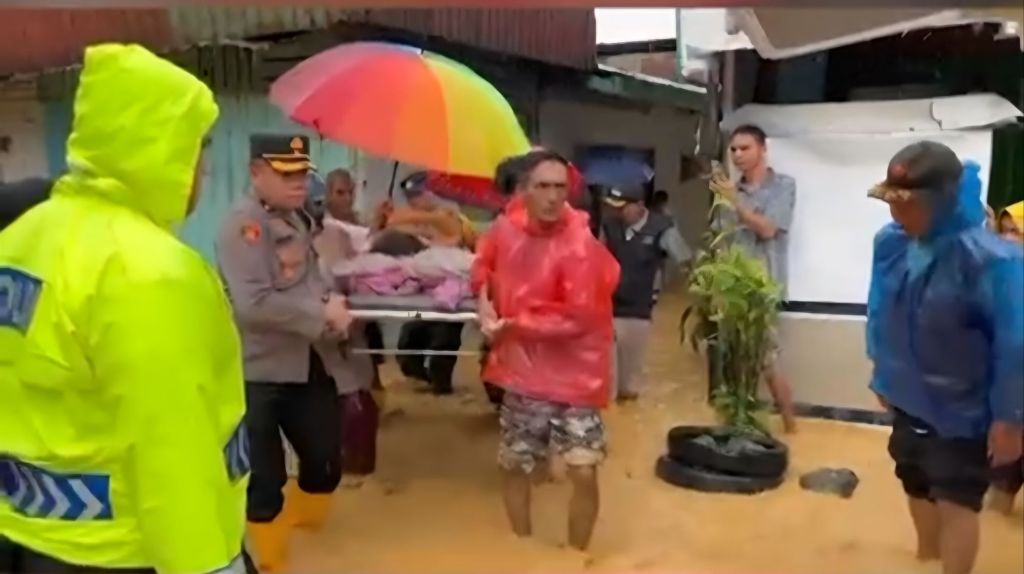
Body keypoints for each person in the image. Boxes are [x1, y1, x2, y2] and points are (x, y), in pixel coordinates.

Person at [0, 44, 248, 574]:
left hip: (27, 536)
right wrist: (208, 566)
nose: (203, 169)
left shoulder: (22, 240)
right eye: (198, 149)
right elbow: (170, 445)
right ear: (160, 150)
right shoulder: (148, 271)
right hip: (126, 551)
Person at [866, 142, 1024, 574]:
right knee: (914, 480)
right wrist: (882, 372)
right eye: (893, 202)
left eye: (908, 204)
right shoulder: (893, 244)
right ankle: (925, 560)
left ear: (943, 200)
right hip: (908, 397)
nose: (897, 214)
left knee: (957, 499)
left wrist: (1010, 418)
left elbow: (1015, 344)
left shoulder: (994, 261)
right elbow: (880, 309)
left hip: (965, 410)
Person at [217, 134, 355, 573]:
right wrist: (321, 313)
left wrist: (331, 299)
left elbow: (308, 279)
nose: (298, 182)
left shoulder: (297, 217)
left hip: (305, 358)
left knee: (325, 463)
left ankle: (303, 527)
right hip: (257, 367)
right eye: (286, 173)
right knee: (264, 480)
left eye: (302, 173)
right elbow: (252, 305)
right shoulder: (244, 226)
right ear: (256, 172)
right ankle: (272, 561)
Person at [472, 149, 620, 551]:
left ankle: (576, 559)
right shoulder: (504, 230)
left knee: (584, 470)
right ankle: (522, 550)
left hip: (576, 376)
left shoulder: (580, 243)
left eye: (560, 187)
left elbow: (578, 318)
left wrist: (514, 324)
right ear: (525, 190)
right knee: (516, 465)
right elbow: (482, 266)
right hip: (523, 373)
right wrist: (484, 304)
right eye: (543, 187)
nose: (553, 197)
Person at [710, 124, 798, 433]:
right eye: (733, 149)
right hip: (732, 288)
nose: (737, 155)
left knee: (767, 360)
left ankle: (791, 429)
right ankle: (736, 426)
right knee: (733, 358)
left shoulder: (783, 186)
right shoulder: (729, 192)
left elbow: (768, 229)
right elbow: (723, 241)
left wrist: (735, 200)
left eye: (744, 148)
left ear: (763, 148)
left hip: (764, 287)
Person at [384, 172, 475, 395]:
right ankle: (421, 377)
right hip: (422, 293)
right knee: (410, 340)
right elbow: (392, 230)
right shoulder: (414, 223)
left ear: (431, 193)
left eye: (417, 195)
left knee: (444, 340)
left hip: (451, 294)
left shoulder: (452, 217)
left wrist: (415, 225)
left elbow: (455, 236)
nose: (413, 201)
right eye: (409, 197)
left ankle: (441, 386)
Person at [602, 185, 692, 402]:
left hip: (638, 310)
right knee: (606, 385)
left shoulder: (662, 228)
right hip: (606, 309)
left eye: (623, 207)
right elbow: (595, 258)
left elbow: (685, 261)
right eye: (615, 207)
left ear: (640, 206)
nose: (618, 211)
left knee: (628, 388)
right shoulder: (609, 226)